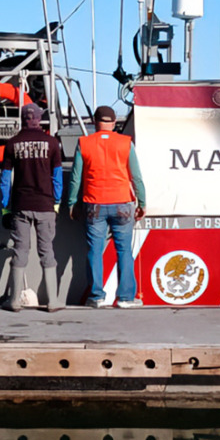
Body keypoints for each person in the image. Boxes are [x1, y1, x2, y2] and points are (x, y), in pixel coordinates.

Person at [63, 105, 146, 307]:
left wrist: (72, 203)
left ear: (94, 121)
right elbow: (136, 176)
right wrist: (142, 202)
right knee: (124, 251)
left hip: (94, 204)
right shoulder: (126, 143)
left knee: (94, 250)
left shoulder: (84, 143)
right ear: (114, 122)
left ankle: (96, 297)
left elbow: (75, 178)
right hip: (122, 203)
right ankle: (126, 298)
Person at [0, 104, 64, 311]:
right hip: (45, 205)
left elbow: (5, 179)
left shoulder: (12, 144)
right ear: (39, 119)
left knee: (20, 251)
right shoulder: (52, 143)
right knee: (47, 252)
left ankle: (15, 301)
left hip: (20, 205)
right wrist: (56, 202)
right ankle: (52, 301)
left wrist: (5, 208)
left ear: (22, 119)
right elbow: (57, 178)